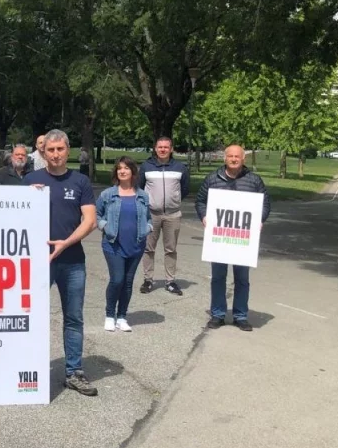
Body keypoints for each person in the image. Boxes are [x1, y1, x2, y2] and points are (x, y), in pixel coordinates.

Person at [25, 129, 98, 396]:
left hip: (72, 260)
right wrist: (26, 197)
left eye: (60, 149)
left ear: (68, 151)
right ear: (43, 152)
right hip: (37, 261)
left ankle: (74, 371)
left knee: (74, 318)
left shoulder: (80, 181)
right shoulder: (30, 180)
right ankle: (24, 367)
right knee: (29, 316)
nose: (55, 154)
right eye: (50, 150)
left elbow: (89, 220)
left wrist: (65, 242)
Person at [196, 144, 271, 331]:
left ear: (243, 159)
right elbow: (200, 201)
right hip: (220, 238)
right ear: (225, 158)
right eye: (230, 156)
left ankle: (240, 316)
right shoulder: (213, 179)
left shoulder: (254, 181)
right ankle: (218, 315)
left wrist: (259, 220)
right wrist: (205, 216)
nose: (234, 159)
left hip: (243, 239)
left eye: (237, 156)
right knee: (218, 277)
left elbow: (265, 204)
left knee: (242, 279)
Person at [97, 157, 152, 332]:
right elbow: (97, 215)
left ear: (132, 172)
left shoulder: (142, 195)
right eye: (119, 168)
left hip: (136, 245)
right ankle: (109, 315)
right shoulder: (108, 194)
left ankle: (121, 317)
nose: (122, 171)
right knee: (117, 279)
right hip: (113, 245)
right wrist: (105, 226)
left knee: (128, 282)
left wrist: (147, 228)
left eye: (126, 168)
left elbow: (149, 218)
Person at [137, 136, 190, 296]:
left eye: (166, 147)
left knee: (171, 249)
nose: (163, 149)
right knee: (148, 248)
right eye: (160, 147)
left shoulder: (180, 167)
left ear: (171, 149)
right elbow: (139, 188)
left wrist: (173, 201)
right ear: (155, 148)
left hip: (173, 215)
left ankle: (170, 281)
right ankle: (148, 280)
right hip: (151, 214)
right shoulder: (147, 166)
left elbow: (185, 189)